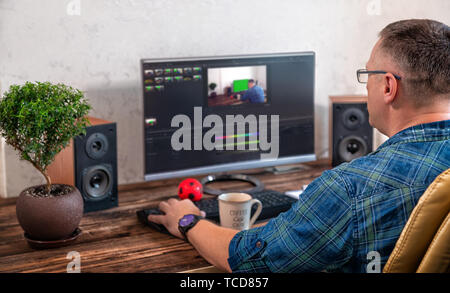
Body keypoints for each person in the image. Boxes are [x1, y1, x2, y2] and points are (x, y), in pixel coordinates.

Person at [148, 19, 450, 273]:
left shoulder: (350, 189)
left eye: (367, 75)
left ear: (387, 86)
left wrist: (187, 221)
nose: (365, 86)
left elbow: (247, 258)